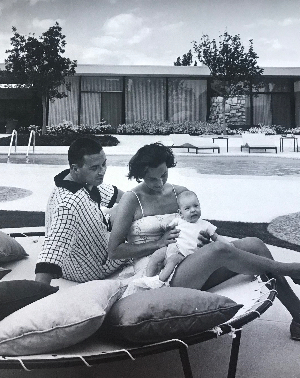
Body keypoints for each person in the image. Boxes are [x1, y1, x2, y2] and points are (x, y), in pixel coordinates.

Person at [108, 142, 300, 340]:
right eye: (151, 179)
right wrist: (158, 244)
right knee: (219, 250)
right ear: (140, 175)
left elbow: (195, 225)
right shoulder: (132, 199)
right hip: (160, 273)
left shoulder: (179, 193)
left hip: (191, 263)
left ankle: (298, 318)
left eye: (163, 175)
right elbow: (114, 250)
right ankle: (291, 269)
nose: (159, 183)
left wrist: (202, 240)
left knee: (255, 244)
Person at [35, 137, 125, 285]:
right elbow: (51, 250)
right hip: (92, 270)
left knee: (124, 208)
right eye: (94, 168)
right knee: (143, 229)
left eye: (104, 164)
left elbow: (123, 197)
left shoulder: (78, 181)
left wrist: (137, 200)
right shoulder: (69, 205)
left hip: (78, 261)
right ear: (75, 168)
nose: (102, 171)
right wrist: (36, 297)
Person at [146, 190, 232, 282]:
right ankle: (147, 278)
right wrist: (166, 226)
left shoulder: (205, 224)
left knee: (173, 260)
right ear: (180, 213)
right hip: (173, 248)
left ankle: (159, 281)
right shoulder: (178, 220)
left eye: (196, 206)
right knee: (156, 255)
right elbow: (168, 228)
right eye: (187, 208)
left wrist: (229, 245)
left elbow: (216, 237)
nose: (193, 210)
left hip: (185, 255)